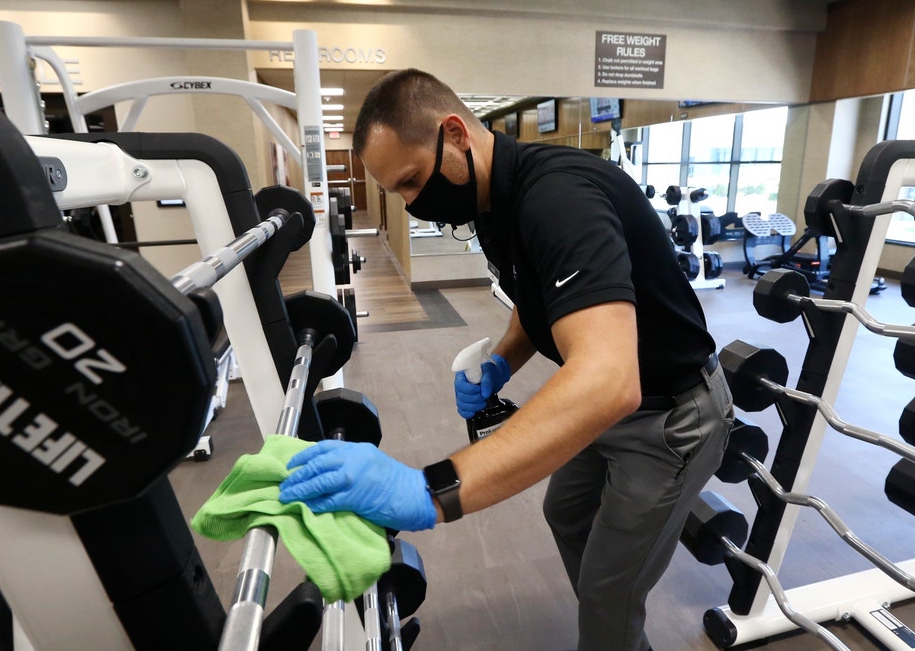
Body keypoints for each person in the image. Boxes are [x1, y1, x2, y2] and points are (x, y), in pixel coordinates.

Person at [277, 68, 734, 651]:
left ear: (456, 133)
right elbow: (537, 299)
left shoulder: (559, 199)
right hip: (613, 412)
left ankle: (611, 623)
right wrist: (500, 363)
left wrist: (430, 490)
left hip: (671, 418)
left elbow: (610, 380)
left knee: (607, 593)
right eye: (401, 193)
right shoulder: (491, 202)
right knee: (565, 513)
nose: (414, 204)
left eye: (414, 181)